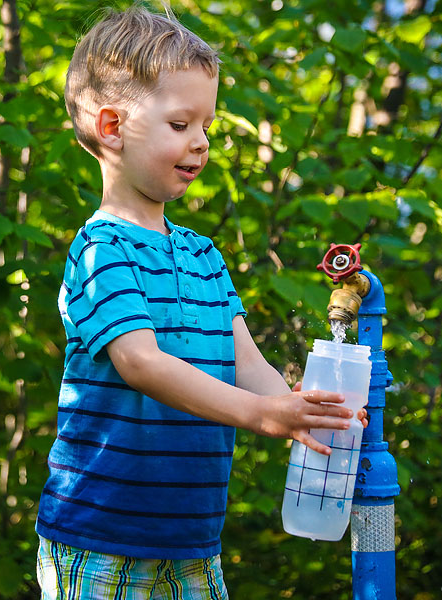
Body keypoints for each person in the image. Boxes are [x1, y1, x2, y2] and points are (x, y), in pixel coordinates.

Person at [36, 5, 366, 598]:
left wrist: (304, 410)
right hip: (99, 533)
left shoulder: (203, 254)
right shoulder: (99, 249)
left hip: (191, 539)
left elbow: (248, 363)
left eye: (207, 125)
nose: (202, 143)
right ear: (112, 128)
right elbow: (141, 362)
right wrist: (262, 416)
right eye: (181, 124)